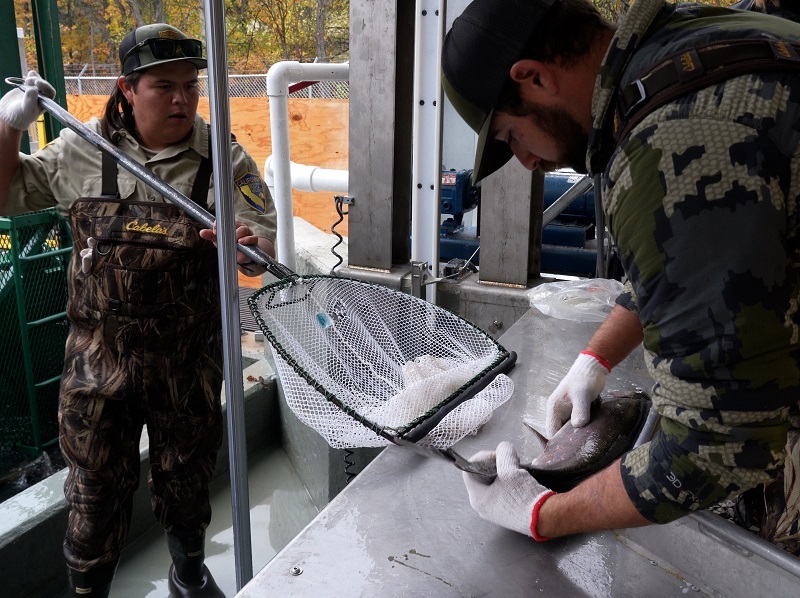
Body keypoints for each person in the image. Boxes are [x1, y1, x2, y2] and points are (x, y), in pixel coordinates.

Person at [441, 0, 800, 543]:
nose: (527, 161)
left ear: (534, 77)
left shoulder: (669, 142)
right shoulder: (697, 38)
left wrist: (543, 515)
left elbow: (721, 447)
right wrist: (597, 357)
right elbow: (704, 252)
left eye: (510, 137)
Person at [0, 23, 277, 597]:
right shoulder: (82, 148)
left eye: (190, 86)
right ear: (127, 88)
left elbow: (262, 258)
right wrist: (6, 126)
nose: (182, 99)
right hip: (96, 369)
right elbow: (3, 193)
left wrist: (250, 244)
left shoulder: (224, 160)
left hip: (188, 364)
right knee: (93, 494)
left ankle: (189, 573)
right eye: (163, 86)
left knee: (186, 483)